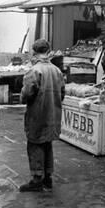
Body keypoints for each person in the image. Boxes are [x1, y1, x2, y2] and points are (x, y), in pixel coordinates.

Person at [19, 39, 65, 192]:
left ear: (34, 52)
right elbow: (62, 93)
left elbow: (26, 94)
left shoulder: (34, 70)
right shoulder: (57, 70)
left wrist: (23, 98)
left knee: (35, 143)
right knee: (47, 143)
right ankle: (48, 177)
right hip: (52, 114)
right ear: (48, 50)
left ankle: (37, 178)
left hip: (37, 114)